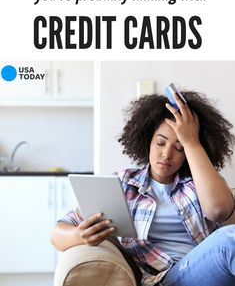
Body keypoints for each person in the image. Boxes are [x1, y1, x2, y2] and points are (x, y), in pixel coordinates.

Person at [51, 90, 235, 286]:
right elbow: (57, 232)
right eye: (160, 143)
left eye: (179, 148)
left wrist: (191, 142)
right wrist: (79, 235)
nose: (166, 154)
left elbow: (218, 210)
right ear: (148, 140)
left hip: (210, 271)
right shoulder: (123, 184)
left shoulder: (199, 182)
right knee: (229, 240)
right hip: (166, 279)